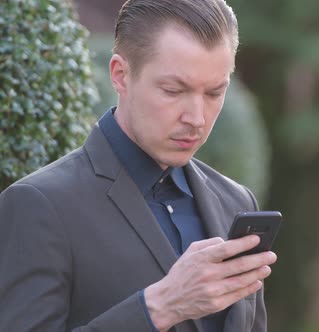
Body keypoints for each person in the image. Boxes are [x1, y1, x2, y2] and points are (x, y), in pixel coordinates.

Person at [0, 0, 277, 331]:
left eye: (214, 93)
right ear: (121, 74)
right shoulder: (39, 204)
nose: (197, 118)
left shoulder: (236, 202)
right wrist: (159, 307)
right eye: (173, 90)